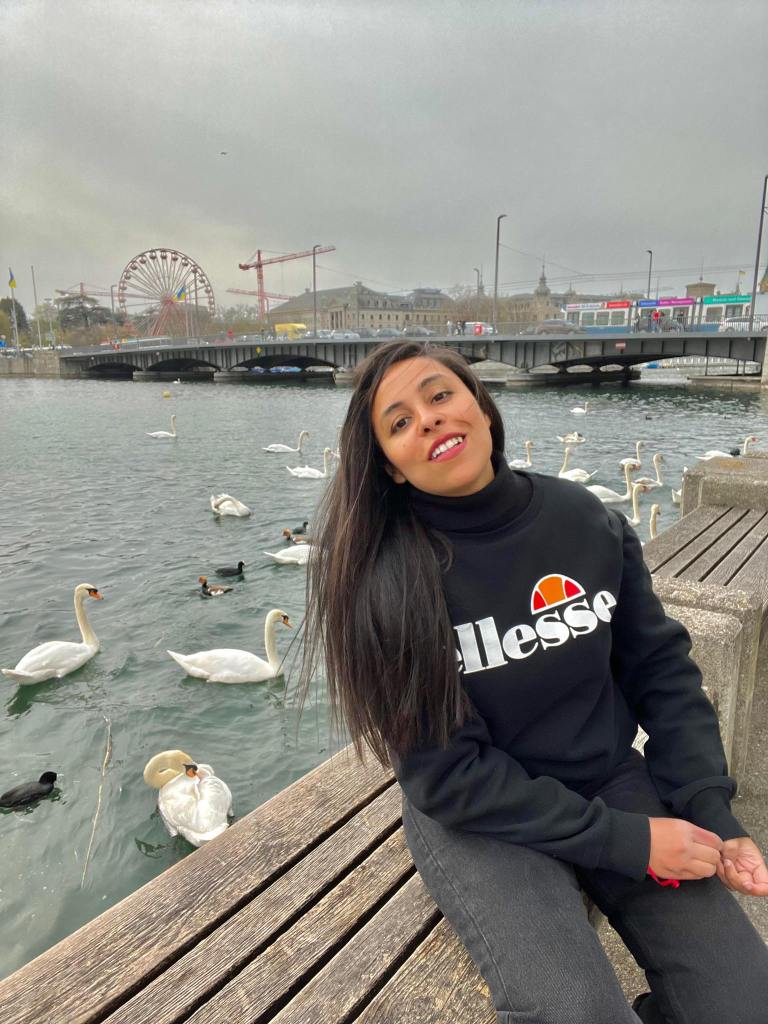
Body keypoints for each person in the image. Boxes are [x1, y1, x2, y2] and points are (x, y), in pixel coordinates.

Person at [300, 340, 768, 1024]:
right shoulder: (387, 583)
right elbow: (447, 776)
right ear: (392, 467)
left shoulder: (584, 518)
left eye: (439, 394)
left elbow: (660, 669)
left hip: (604, 775)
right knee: (576, 1011)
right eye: (399, 423)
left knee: (746, 1000)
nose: (428, 419)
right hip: (483, 812)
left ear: (481, 405)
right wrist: (630, 842)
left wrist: (708, 809)